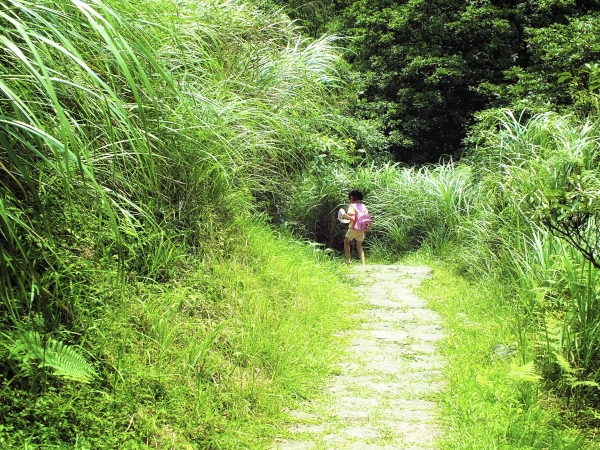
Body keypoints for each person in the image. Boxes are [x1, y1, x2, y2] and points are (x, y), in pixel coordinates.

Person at [341, 189, 368, 265]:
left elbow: (352, 218)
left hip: (353, 228)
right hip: (361, 229)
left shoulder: (352, 206)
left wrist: (344, 215)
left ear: (352, 198)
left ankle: (348, 261)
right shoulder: (363, 206)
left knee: (346, 242)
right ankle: (363, 264)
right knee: (359, 246)